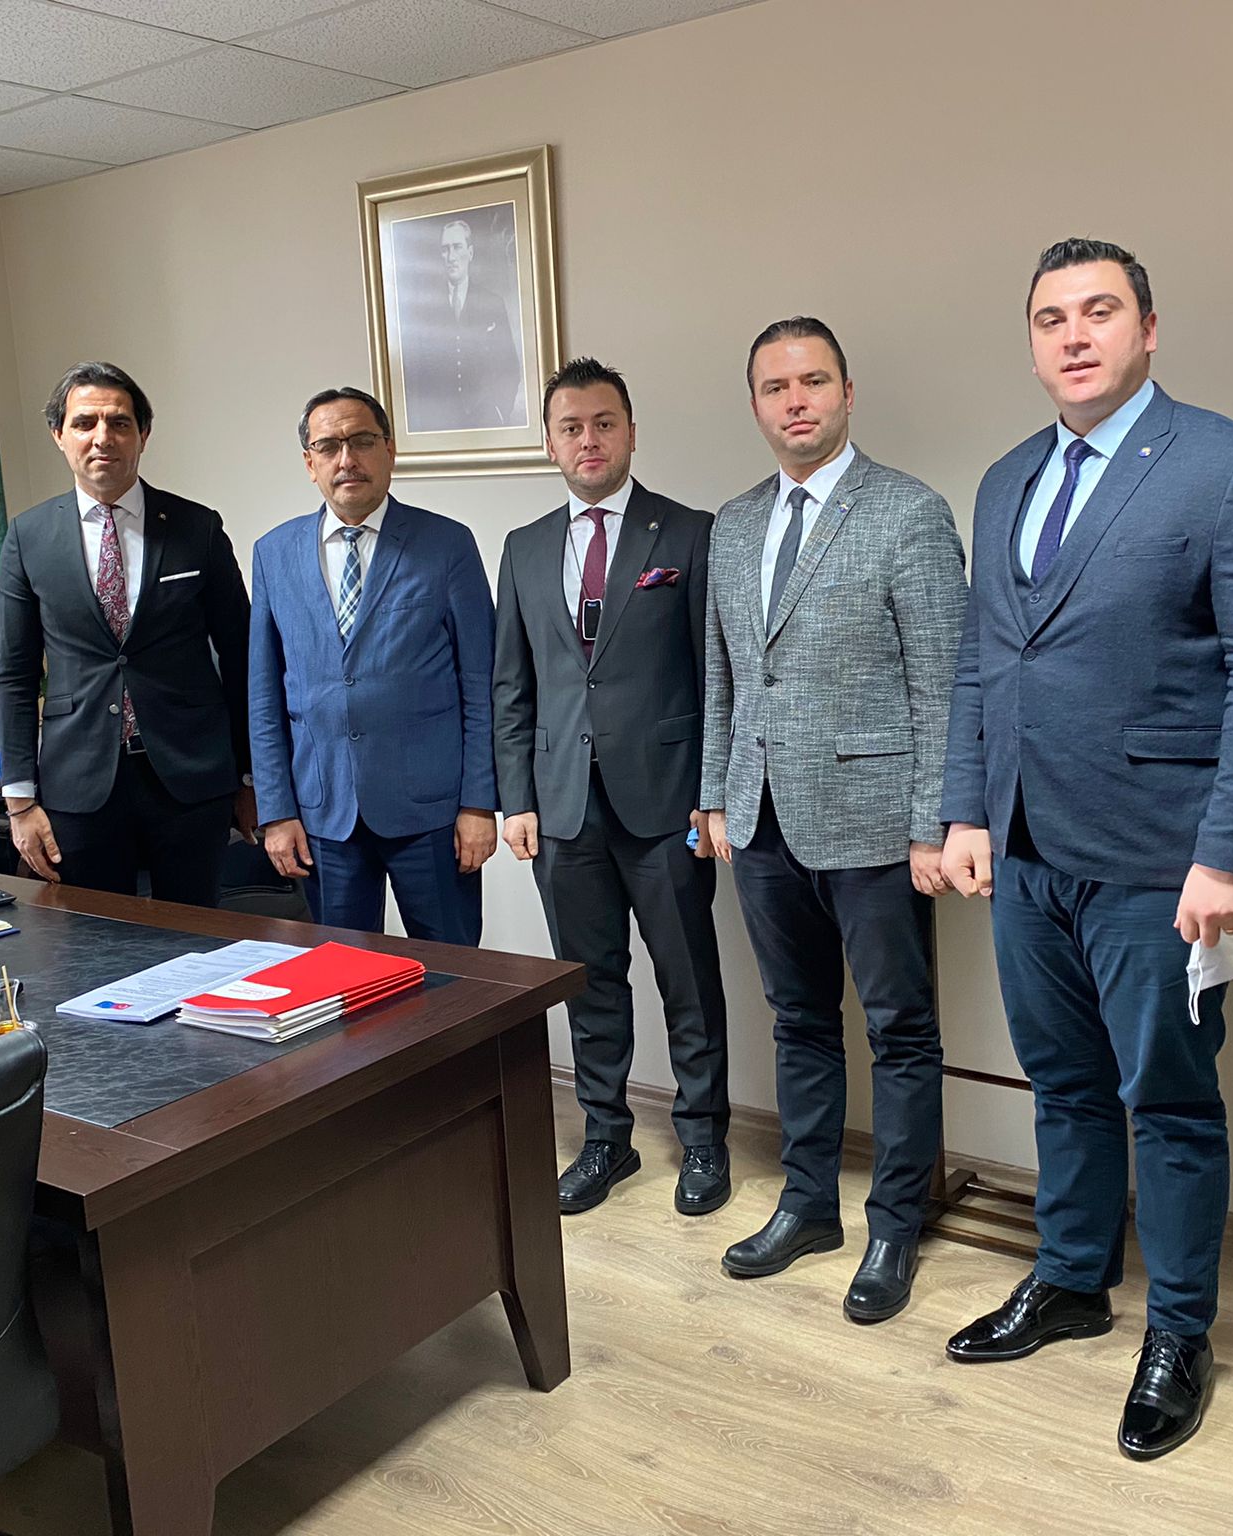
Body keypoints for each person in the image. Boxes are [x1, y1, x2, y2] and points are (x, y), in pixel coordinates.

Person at [939, 238, 1233, 1461]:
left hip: (1164, 857)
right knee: (1061, 1083)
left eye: (1098, 310)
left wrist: (1231, 852)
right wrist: (962, 809)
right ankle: (1067, 1280)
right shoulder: (1004, 477)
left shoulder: (1229, 464)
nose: (1073, 335)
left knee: (1165, 1099)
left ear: (1146, 328)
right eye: (1049, 317)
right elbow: (982, 658)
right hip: (1025, 845)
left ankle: (1179, 1333)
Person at [700, 317, 966, 1324]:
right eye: (775, 387)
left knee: (899, 1029)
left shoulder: (908, 513)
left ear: (847, 393)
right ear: (755, 405)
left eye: (812, 381)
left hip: (875, 822)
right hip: (760, 817)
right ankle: (808, 1204)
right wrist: (716, 796)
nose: (795, 400)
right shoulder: (733, 524)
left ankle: (895, 1226)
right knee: (799, 1020)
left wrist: (933, 823)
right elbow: (725, 676)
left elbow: (943, 686)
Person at [492, 357, 731, 1219]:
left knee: (687, 978)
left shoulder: (689, 533)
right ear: (550, 442)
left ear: (631, 431)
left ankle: (703, 1138)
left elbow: (715, 675)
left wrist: (712, 791)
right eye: (571, 427)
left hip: (666, 801)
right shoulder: (523, 548)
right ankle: (605, 1137)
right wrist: (516, 799)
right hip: (561, 805)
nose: (587, 440)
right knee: (589, 980)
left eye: (603, 423)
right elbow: (511, 685)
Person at [0, 361, 253, 907]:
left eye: (119, 423)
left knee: (197, 936)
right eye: (84, 423)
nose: (102, 437)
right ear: (58, 434)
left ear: (143, 434)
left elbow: (242, 657)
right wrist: (19, 800)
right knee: (93, 941)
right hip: (79, 784)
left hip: (191, 778)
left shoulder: (197, 527)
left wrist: (252, 778)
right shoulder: (28, 536)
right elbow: (15, 674)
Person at [250, 386, 497, 944]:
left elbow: (481, 685)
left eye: (361, 441)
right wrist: (276, 812)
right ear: (309, 463)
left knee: (456, 974)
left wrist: (479, 804)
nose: (347, 459)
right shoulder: (273, 553)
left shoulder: (447, 544)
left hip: (432, 814)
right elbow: (263, 698)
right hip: (322, 815)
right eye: (328, 446)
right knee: (343, 976)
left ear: (389, 450)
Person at [402, 217, 524, 433]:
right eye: (445, 249)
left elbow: (509, 366)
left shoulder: (492, 303)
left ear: (470, 252)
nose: (451, 257)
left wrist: (500, 411)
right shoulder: (425, 309)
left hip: (486, 422)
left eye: (457, 247)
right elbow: (415, 374)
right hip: (439, 425)